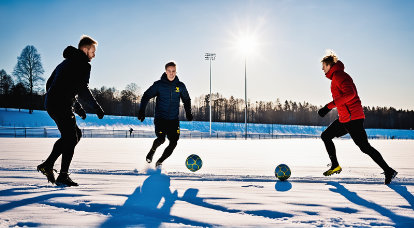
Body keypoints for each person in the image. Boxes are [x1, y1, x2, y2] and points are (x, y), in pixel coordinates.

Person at [318, 51, 397, 185]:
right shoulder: (336, 77)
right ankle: (335, 165)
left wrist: (328, 107)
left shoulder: (340, 76)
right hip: (345, 118)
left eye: (323, 66)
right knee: (326, 136)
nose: (322, 69)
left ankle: (388, 170)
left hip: (353, 118)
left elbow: (350, 94)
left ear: (329, 65)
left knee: (365, 147)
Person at [37, 35, 105, 186]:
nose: (94, 55)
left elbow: (52, 84)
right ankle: (62, 175)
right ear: (85, 49)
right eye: (93, 51)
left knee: (74, 135)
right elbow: (82, 89)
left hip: (53, 103)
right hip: (60, 104)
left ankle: (48, 165)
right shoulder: (83, 64)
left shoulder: (65, 62)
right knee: (71, 137)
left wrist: (75, 106)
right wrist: (96, 107)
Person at [138, 61, 193, 167]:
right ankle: (151, 152)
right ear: (165, 71)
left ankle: (159, 162)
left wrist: (188, 112)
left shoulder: (180, 86)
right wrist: (142, 110)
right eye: (169, 71)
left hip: (173, 120)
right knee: (161, 139)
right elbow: (146, 96)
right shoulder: (159, 85)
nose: (171, 73)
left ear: (176, 72)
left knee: (174, 143)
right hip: (161, 118)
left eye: (173, 71)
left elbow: (186, 99)